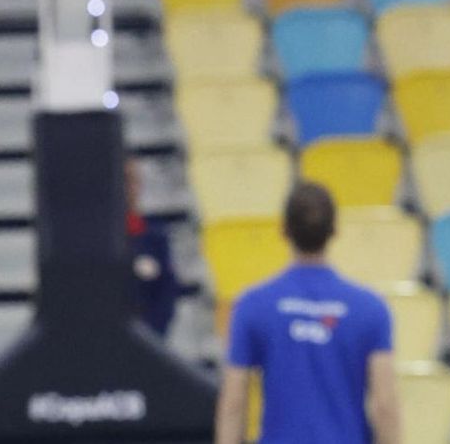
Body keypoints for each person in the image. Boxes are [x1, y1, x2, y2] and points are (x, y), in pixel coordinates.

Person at [214, 182, 401, 444]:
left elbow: (234, 402)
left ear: (284, 230)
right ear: (334, 230)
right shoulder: (370, 309)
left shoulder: (253, 305)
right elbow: (385, 405)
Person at [125, 159, 178, 338]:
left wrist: (149, 339)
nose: (128, 188)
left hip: (145, 343)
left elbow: (166, 294)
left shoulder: (155, 237)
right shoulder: (92, 241)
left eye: (132, 181)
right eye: (123, 180)